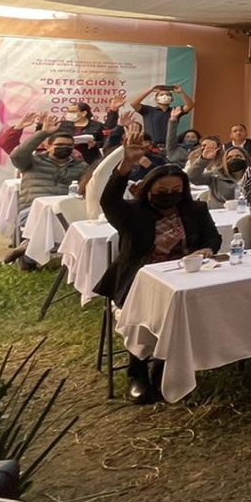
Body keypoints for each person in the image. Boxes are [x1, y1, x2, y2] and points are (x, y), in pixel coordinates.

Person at [96, 131, 221, 405]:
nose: (169, 197)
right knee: (148, 313)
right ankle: (138, 371)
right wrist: (125, 166)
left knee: (185, 309)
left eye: (175, 191)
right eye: (162, 192)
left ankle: (164, 370)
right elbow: (109, 201)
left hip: (185, 278)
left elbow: (213, 238)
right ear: (148, 190)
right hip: (139, 282)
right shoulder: (132, 214)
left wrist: (206, 250)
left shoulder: (195, 210)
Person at [4, 116, 89, 269]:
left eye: (69, 145)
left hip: (63, 211)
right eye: (60, 145)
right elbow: (16, 156)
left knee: (70, 220)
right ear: (48, 146)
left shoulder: (81, 166)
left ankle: (27, 248)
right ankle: (29, 252)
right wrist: (42, 133)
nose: (65, 148)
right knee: (49, 218)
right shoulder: (32, 161)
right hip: (31, 212)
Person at [129, 83, 195, 145]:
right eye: (161, 95)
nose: (165, 96)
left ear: (171, 99)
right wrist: (150, 90)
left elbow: (190, 106)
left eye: (167, 94)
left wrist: (181, 92)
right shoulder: (148, 110)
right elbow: (134, 104)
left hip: (170, 147)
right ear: (156, 99)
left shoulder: (175, 111)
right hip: (150, 146)